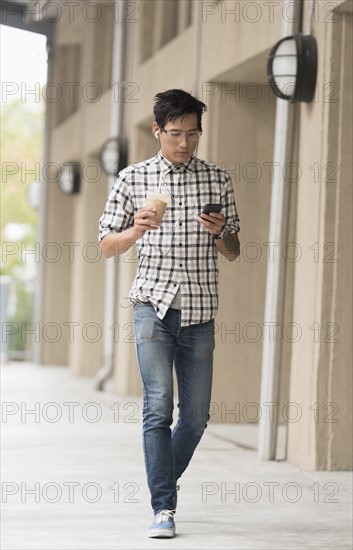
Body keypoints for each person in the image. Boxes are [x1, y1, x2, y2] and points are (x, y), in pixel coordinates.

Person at [99, 89, 240, 538]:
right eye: (175, 134)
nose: (184, 142)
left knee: (195, 416)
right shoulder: (131, 178)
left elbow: (234, 250)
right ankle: (164, 508)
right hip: (152, 306)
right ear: (158, 131)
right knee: (157, 408)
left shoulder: (218, 179)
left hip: (200, 308)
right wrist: (134, 230)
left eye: (192, 134)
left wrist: (221, 235)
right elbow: (105, 245)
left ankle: (162, 480)